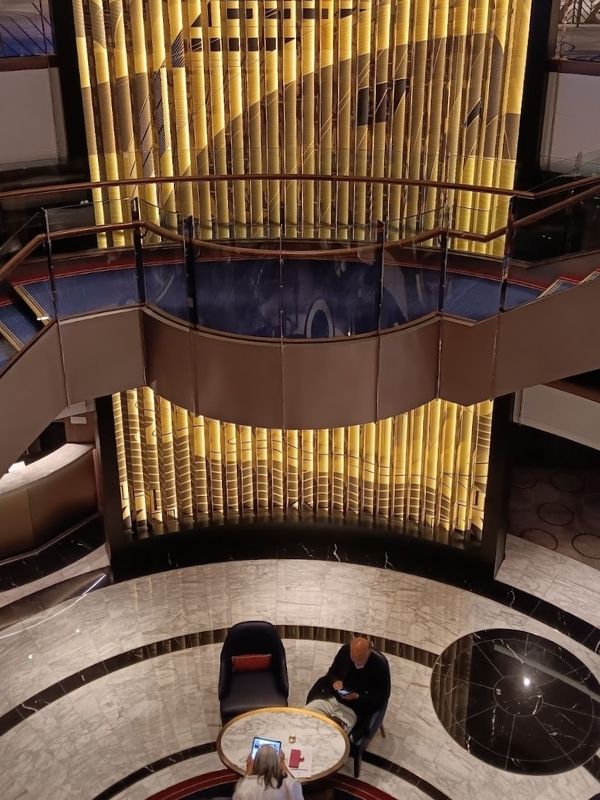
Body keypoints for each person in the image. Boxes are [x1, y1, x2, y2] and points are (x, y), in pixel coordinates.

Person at [305, 636, 387, 736]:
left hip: (351, 710)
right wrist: (335, 681)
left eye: (360, 658)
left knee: (332, 733)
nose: (356, 661)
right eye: (353, 656)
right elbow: (332, 671)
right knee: (306, 717)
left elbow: (380, 698)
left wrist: (358, 696)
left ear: (369, 652)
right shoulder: (345, 651)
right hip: (329, 699)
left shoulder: (379, 667)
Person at [233, 744, 304, 800]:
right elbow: (295, 785)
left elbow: (238, 795)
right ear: (276, 764)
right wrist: (282, 763)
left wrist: (248, 771)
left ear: (255, 763)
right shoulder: (287, 784)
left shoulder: (245, 787)